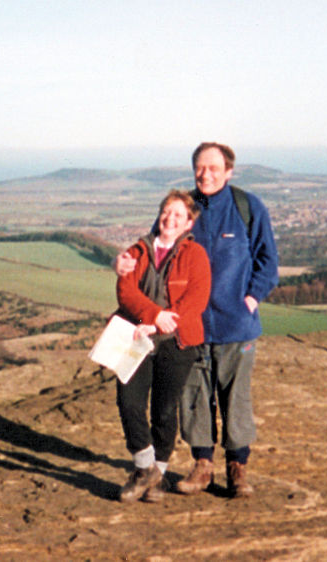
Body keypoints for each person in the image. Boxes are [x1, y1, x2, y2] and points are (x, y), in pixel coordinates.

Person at [116, 142, 279, 498]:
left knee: (235, 398)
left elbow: (268, 261)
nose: (206, 175)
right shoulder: (184, 208)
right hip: (187, 328)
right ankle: (202, 465)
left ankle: (238, 468)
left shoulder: (247, 207)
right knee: (193, 398)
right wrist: (124, 261)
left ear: (229, 171)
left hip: (236, 325)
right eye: (200, 168)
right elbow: (152, 250)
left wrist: (250, 300)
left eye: (214, 168)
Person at [114, 189, 211, 503]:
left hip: (176, 342)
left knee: (165, 411)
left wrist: (163, 321)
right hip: (137, 337)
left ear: (188, 224)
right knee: (129, 401)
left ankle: (158, 477)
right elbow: (126, 293)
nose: (170, 219)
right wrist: (154, 315)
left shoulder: (195, 255)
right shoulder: (136, 251)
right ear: (159, 215)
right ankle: (145, 468)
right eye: (166, 212)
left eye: (178, 215)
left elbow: (196, 298)